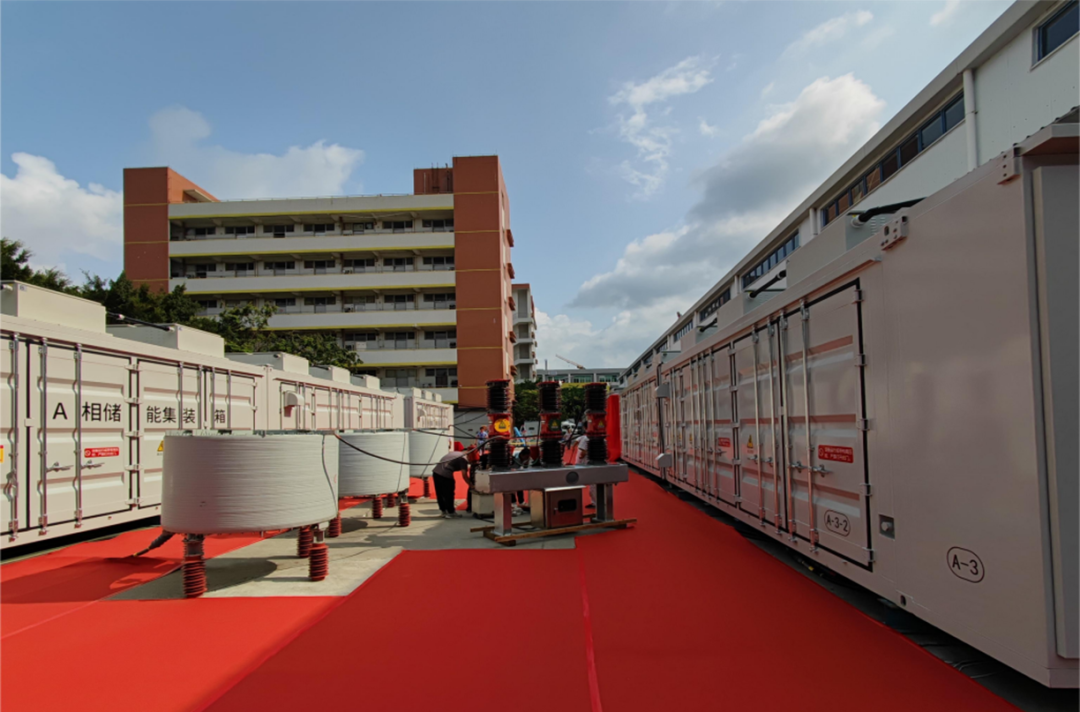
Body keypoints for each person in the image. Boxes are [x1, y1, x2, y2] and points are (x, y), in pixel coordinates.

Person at [432, 442, 473, 518]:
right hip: (445, 474)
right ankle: (451, 512)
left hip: (436, 472)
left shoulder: (457, 453)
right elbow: (464, 475)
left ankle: (443, 511)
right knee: (449, 493)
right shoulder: (463, 460)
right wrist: (471, 485)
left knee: (440, 493)